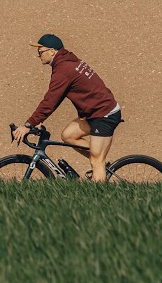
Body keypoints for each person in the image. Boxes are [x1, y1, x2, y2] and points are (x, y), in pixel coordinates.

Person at [12, 34, 123, 182]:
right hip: (94, 113)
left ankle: (99, 174)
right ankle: (101, 162)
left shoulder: (64, 69)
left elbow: (50, 101)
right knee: (68, 136)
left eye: (40, 51)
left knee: (96, 160)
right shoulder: (66, 62)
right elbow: (55, 100)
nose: (38, 55)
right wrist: (38, 119)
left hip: (104, 114)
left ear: (52, 51)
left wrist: (29, 124)